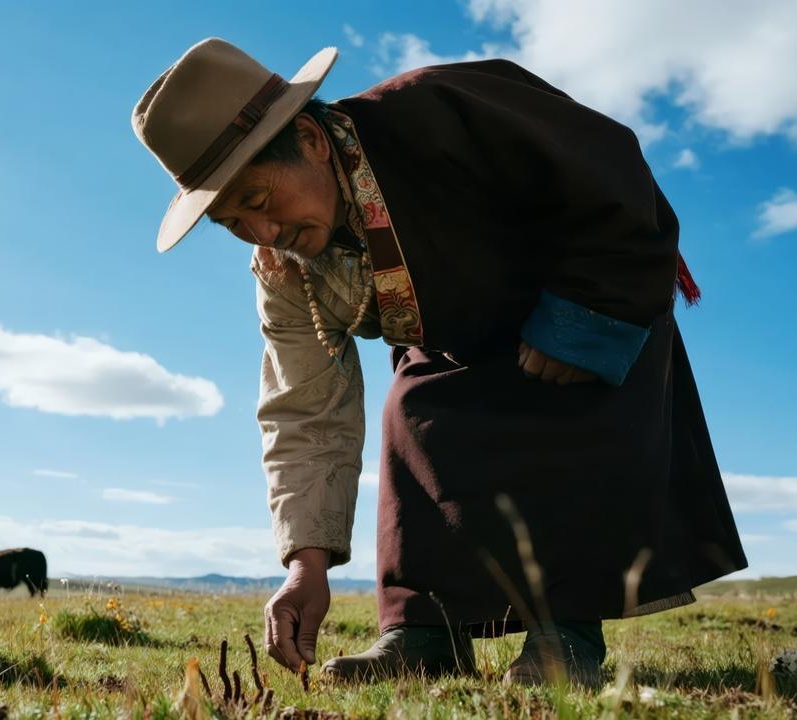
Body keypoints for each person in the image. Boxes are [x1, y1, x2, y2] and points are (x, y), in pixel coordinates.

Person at [130, 39, 747, 686]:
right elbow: (304, 408)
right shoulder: (286, 273)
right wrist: (304, 563)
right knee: (413, 410)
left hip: (582, 298)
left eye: (257, 200)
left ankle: (563, 636)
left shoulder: (440, 109)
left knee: (557, 398)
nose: (261, 234)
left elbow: (607, 172)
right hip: (457, 346)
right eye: (232, 223)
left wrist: (580, 319)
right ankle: (424, 634)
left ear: (310, 140)